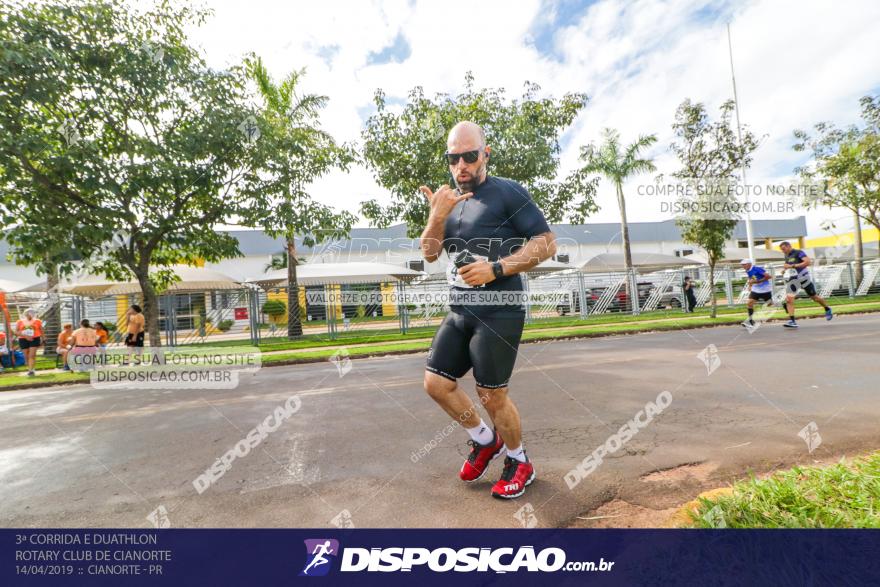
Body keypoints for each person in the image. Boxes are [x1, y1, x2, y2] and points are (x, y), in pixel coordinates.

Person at [419, 121, 557, 499]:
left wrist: (496, 268)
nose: (461, 164)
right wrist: (435, 215)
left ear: (485, 154)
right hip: (460, 309)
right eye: (453, 157)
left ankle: (519, 460)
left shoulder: (508, 193)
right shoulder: (447, 203)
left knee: (492, 395)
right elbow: (430, 253)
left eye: (469, 155)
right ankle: (484, 440)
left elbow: (547, 243)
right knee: (436, 383)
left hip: (501, 309)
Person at [779, 241, 832, 328]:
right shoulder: (787, 255)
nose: (783, 251)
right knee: (789, 299)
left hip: (804, 278)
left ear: (789, 246)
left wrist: (792, 266)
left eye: (784, 249)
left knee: (814, 297)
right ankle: (792, 321)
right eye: (782, 250)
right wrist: (784, 269)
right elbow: (788, 265)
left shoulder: (799, 252)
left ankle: (827, 308)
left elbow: (807, 262)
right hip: (793, 279)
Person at [740, 259, 773, 327]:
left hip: (765, 289)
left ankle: (782, 304)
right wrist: (750, 285)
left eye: (744, 264)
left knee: (770, 304)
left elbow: (769, 276)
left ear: (749, 264)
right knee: (749, 303)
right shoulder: (747, 270)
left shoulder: (757, 269)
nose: (743, 266)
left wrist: (757, 281)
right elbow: (750, 278)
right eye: (742, 265)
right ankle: (750, 321)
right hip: (755, 289)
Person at [15, 308, 43, 376]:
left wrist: (43, 338)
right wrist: (26, 336)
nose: (30, 315)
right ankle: (30, 368)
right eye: (29, 314)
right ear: (26, 314)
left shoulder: (38, 321)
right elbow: (16, 332)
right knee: (26, 356)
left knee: (32, 355)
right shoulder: (19, 321)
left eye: (32, 314)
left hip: (35, 339)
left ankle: (31, 370)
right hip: (23, 339)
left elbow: (41, 330)